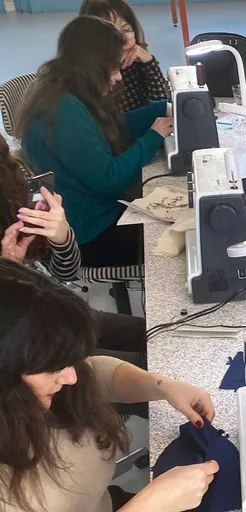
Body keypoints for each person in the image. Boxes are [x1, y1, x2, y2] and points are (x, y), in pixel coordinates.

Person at [0, 258, 218, 512]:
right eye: (54, 368)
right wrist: (148, 507)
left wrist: (163, 386)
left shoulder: (49, 386)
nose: (71, 378)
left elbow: (97, 372)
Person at [15, 16, 173, 269]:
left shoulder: (62, 87)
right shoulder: (62, 113)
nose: (119, 77)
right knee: (176, 237)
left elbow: (104, 130)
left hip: (94, 217)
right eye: (113, 67)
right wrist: (153, 137)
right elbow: (108, 179)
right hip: (90, 236)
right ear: (94, 65)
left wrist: (159, 110)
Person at [0, 135, 147, 372]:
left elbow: (65, 272)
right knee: (147, 368)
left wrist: (61, 236)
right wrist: (8, 270)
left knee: (159, 334)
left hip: (55, 315)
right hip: (28, 350)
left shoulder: (11, 183)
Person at [78, 0, 170, 112]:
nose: (122, 39)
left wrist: (149, 63)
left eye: (126, 30)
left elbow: (163, 108)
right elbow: (111, 125)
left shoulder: (135, 61)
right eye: (110, 33)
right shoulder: (87, 78)